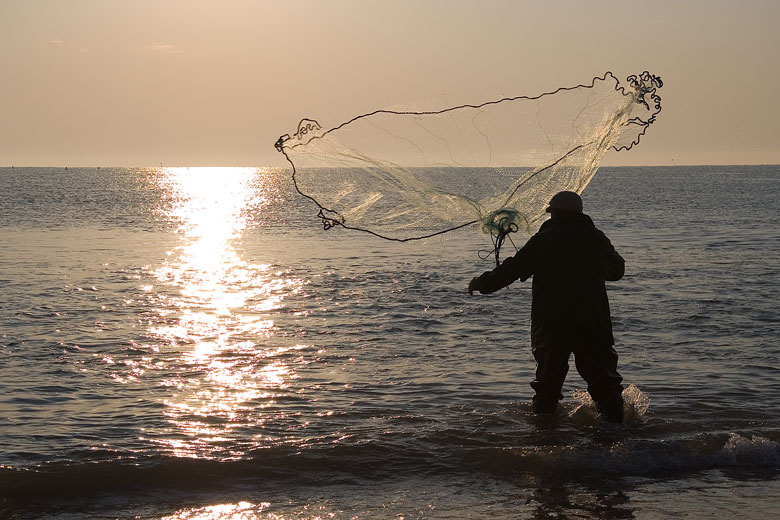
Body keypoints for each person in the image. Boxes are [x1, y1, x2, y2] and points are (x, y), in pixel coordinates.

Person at [468, 191, 626, 422]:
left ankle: (546, 440)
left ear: (555, 213)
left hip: (552, 326)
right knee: (605, 385)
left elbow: (512, 270)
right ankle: (617, 438)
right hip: (593, 323)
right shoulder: (595, 237)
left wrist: (481, 284)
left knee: (547, 388)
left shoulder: (544, 240)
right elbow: (617, 270)